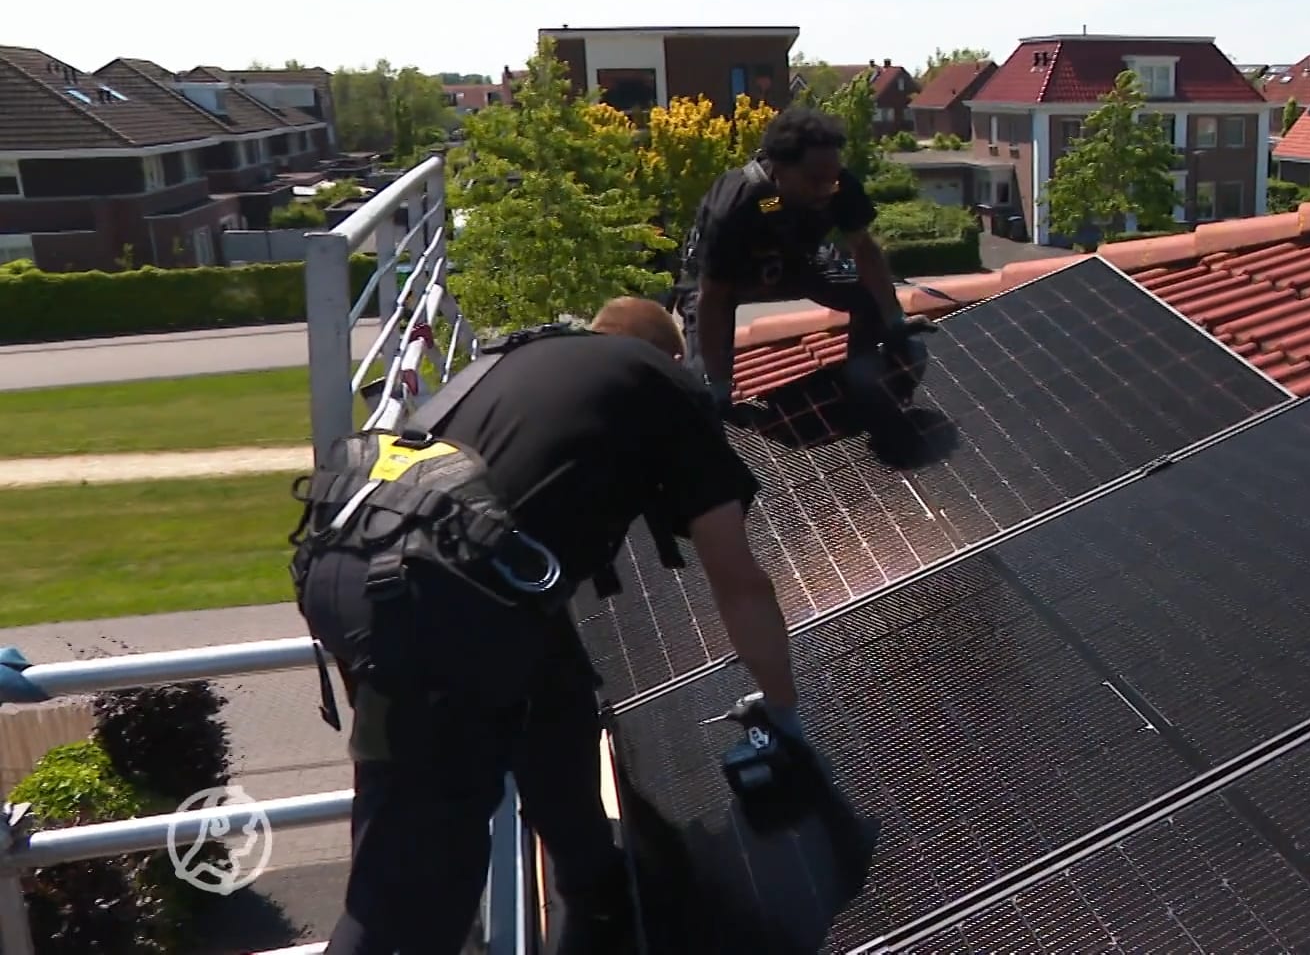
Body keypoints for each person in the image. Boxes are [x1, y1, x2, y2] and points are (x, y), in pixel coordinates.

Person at [293, 296, 802, 955]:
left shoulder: (516, 361)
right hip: (433, 600)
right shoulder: (662, 385)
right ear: (671, 355)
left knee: (555, 699)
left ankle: (595, 887)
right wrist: (786, 718)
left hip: (347, 566)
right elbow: (736, 578)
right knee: (417, 876)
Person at [673, 105, 927, 416]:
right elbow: (712, 299)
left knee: (871, 297)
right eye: (814, 180)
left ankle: (863, 381)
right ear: (779, 168)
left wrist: (893, 319)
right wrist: (718, 386)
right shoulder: (736, 208)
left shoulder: (837, 185)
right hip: (722, 278)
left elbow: (864, 249)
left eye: (831, 180)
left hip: (792, 261)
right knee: (702, 388)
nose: (825, 190)